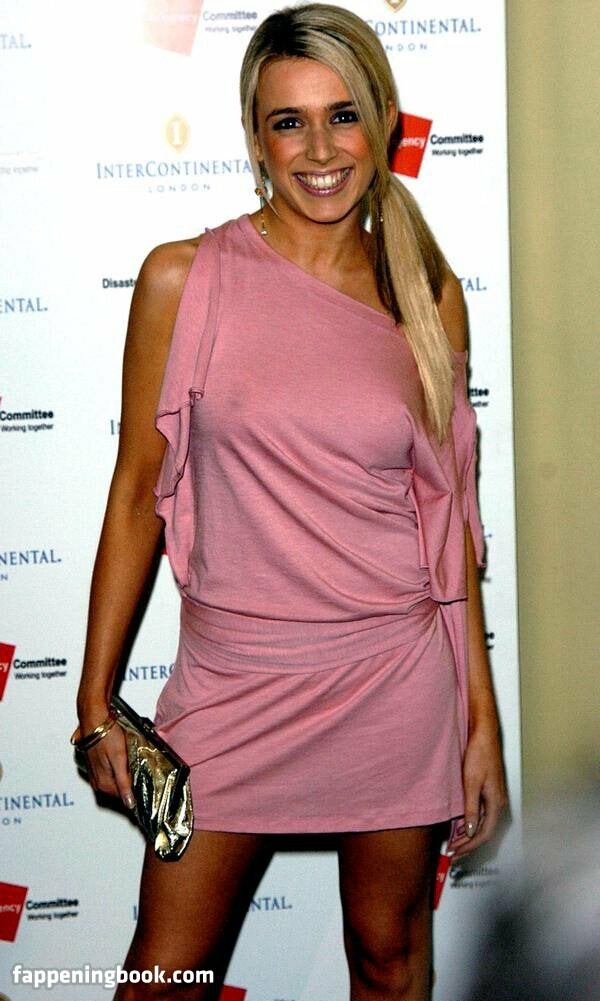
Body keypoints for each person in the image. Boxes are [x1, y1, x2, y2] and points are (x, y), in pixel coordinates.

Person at [74, 4, 508, 999]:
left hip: (393, 679)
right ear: (254, 136)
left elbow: (447, 527)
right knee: (162, 978)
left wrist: (479, 721)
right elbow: (137, 495)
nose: (319, 149)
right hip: (232, 682)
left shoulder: (426, 293)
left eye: (343, 115)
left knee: (389, 957)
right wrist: (96, 704)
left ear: (385, 122)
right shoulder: (184, 279)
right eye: (288, 122)